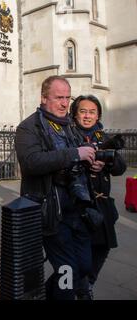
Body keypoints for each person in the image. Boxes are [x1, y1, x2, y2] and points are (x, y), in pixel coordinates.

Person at [15, 75, 97, 300]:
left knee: (84, 266)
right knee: (67, 272)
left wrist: (93, 161)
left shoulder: (71, 125)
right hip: (51, 213)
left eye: (67, 98)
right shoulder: (29, 127)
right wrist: (74, 154)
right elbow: (31, 162)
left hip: (77, 211)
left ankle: (52, 294)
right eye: (58, 97)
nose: (64, 103)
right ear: (43, 98)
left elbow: (84, 152)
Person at [70, 95, 127, 299]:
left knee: (103, 248)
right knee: (80, 255)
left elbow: (121, 168)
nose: (87, 116)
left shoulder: (102, 136)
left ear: (98, 115)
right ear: (75, 114)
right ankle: (82, 290)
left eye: (92, 112)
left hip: (102, 205)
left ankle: (87, 283)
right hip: (79, 205)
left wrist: (106, 163)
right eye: (83, 111)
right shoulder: (70, 135)